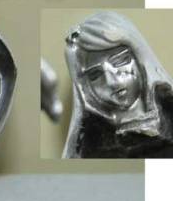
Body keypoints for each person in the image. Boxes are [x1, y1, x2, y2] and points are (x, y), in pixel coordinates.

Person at [63, 11, 173, 158]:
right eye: (95, 75)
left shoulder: (168, 111)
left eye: (120, 61)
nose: (112, 82)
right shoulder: (93, 145)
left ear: (139, 57)